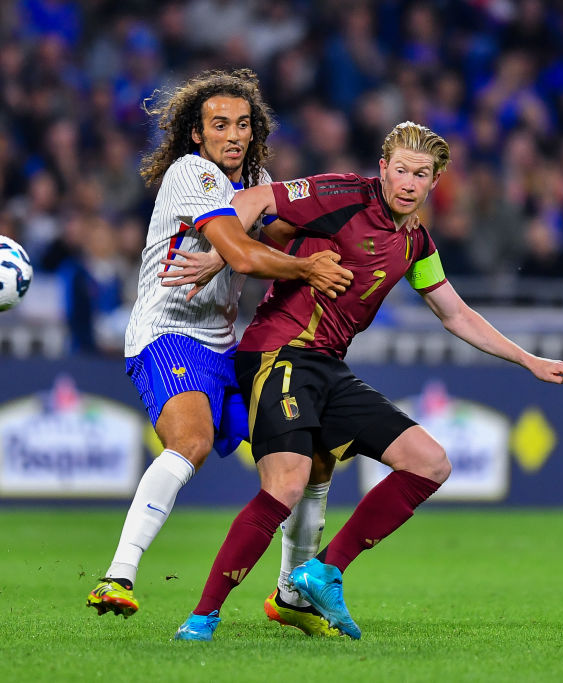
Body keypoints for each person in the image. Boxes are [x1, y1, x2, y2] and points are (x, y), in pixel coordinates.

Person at [171, 121, 563, 641]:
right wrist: (222, 253)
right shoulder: (341, 194)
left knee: (430, 463)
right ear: (383, 169)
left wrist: (529, 360)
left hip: (328, 365)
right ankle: (202, 617)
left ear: (434, 182)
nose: (409, 183)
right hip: (279, 353)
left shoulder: (416, 242)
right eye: (402, 171)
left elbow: (455, 314)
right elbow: (253, 199)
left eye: (421, 174)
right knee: (287, 484)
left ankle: (324, 571)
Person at [86, 69, 352, 636]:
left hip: (226, 346)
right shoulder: (191, 173)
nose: (234, 135)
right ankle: (118, 575)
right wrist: (306, 267)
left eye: (243, 124)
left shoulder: (255, 179)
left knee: (312, 452)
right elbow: (247, 256)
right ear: (197, 134)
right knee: (193, 441)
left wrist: (339, 216)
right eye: (220, 125)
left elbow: (279, 235)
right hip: (167, 333)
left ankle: (292, 594)